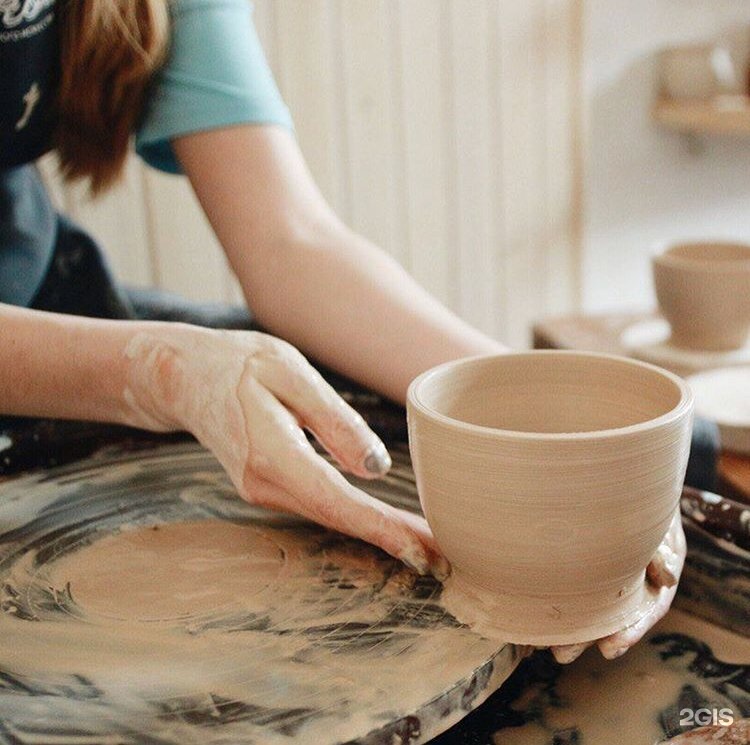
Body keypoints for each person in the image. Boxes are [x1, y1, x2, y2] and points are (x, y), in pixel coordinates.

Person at [0, 0, 684, 662]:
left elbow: (288, 241)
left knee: (351, 399)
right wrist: (153, 374)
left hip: (42, 281)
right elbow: (161, 368)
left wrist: (542, 419)